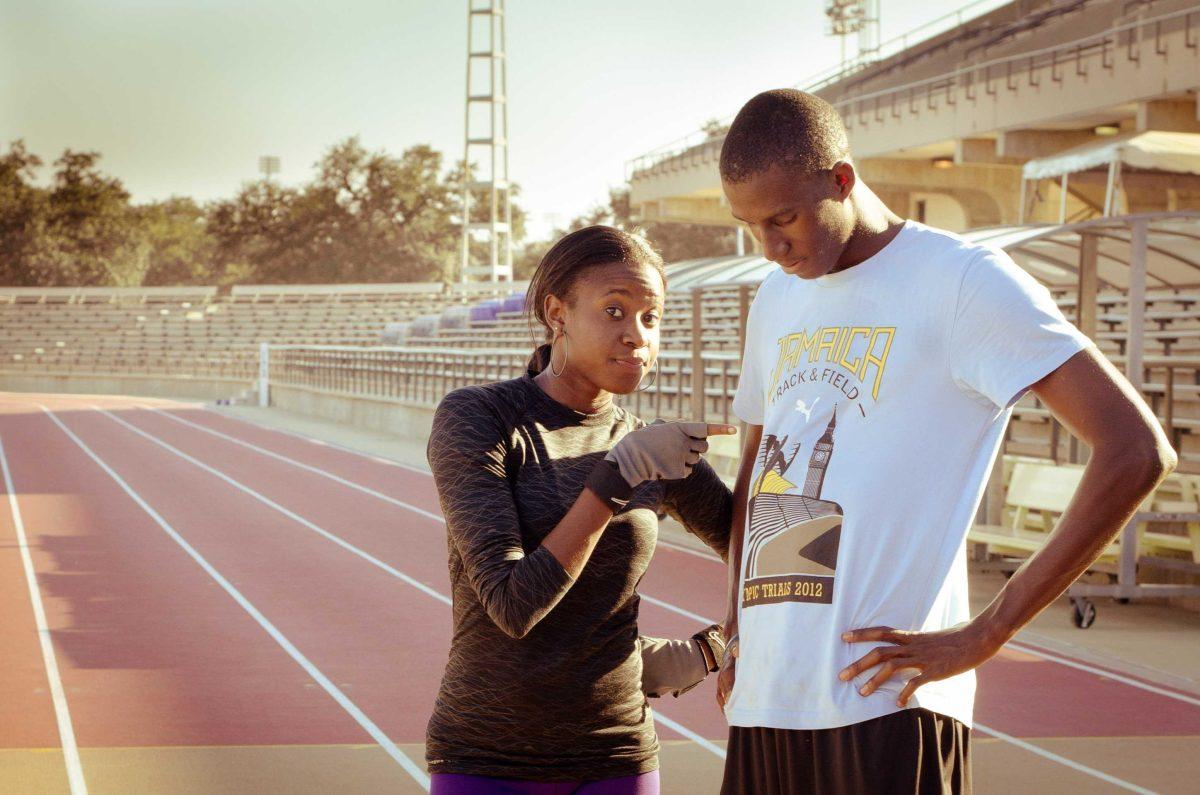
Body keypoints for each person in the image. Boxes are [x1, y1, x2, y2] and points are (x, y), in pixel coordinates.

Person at [712, 89, 1176, 794]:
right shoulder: (775, 299)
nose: (771, 248)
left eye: (785, 218)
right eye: (751, 227)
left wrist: (985, 633)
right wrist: (735, 622)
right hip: (769, 696)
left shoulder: (960, 280)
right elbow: (756, 472)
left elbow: (1137, 449)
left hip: (885, 701)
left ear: (842, 179)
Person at [425, 225, 737, 794]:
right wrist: (615, 480)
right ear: (557, 313)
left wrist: (718, 647)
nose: (636, 335)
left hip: (618, 755)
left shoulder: (650, 446)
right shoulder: (481, 418)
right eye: (614, 310)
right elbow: (513, 605)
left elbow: (757, 551)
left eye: (651, 317)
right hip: (488, 757)